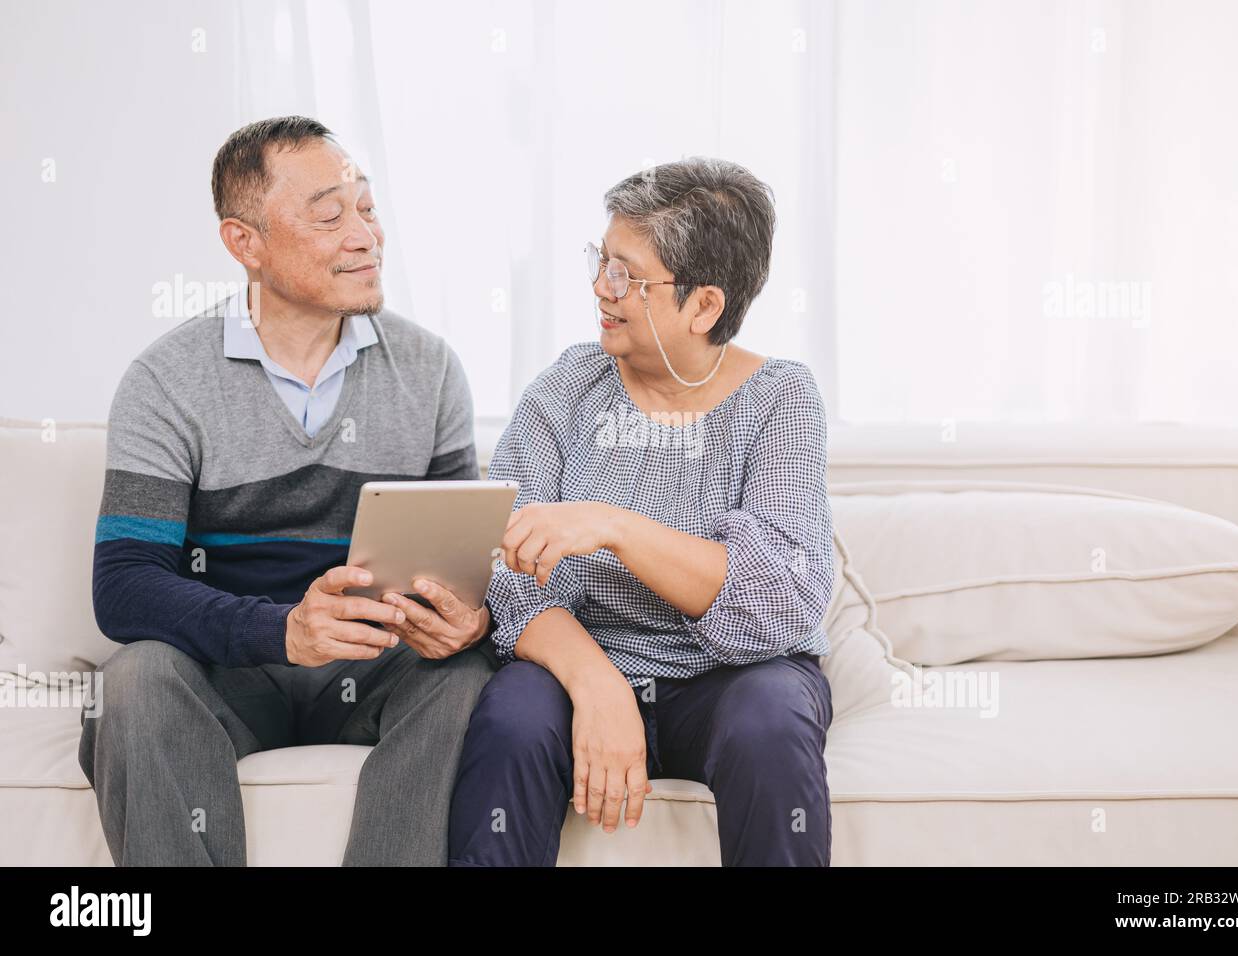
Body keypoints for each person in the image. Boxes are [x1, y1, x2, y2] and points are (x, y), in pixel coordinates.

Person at [79, 116, 494, 866]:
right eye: (329, 215)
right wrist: (282, 632)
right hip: (231, 673)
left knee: (468, 674)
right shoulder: (167, 380)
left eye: (366, 208)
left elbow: (459, 566)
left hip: (375, 669)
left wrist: (466, 618)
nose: (365, 236)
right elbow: (125, 589)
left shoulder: (429, 369)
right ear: (246, 243)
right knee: (133, 681)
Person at [448, 157, 836, 867]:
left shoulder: (781, 401)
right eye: (602, 260)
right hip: (582, 660)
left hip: (732, 678)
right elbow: (506, 576)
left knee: (770, 721)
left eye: (627, 274)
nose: (602, 287)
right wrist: (597, 685)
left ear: (704, 306)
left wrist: (615, 526)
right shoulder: (566, 389)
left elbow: (782, 599)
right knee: (511, 717)